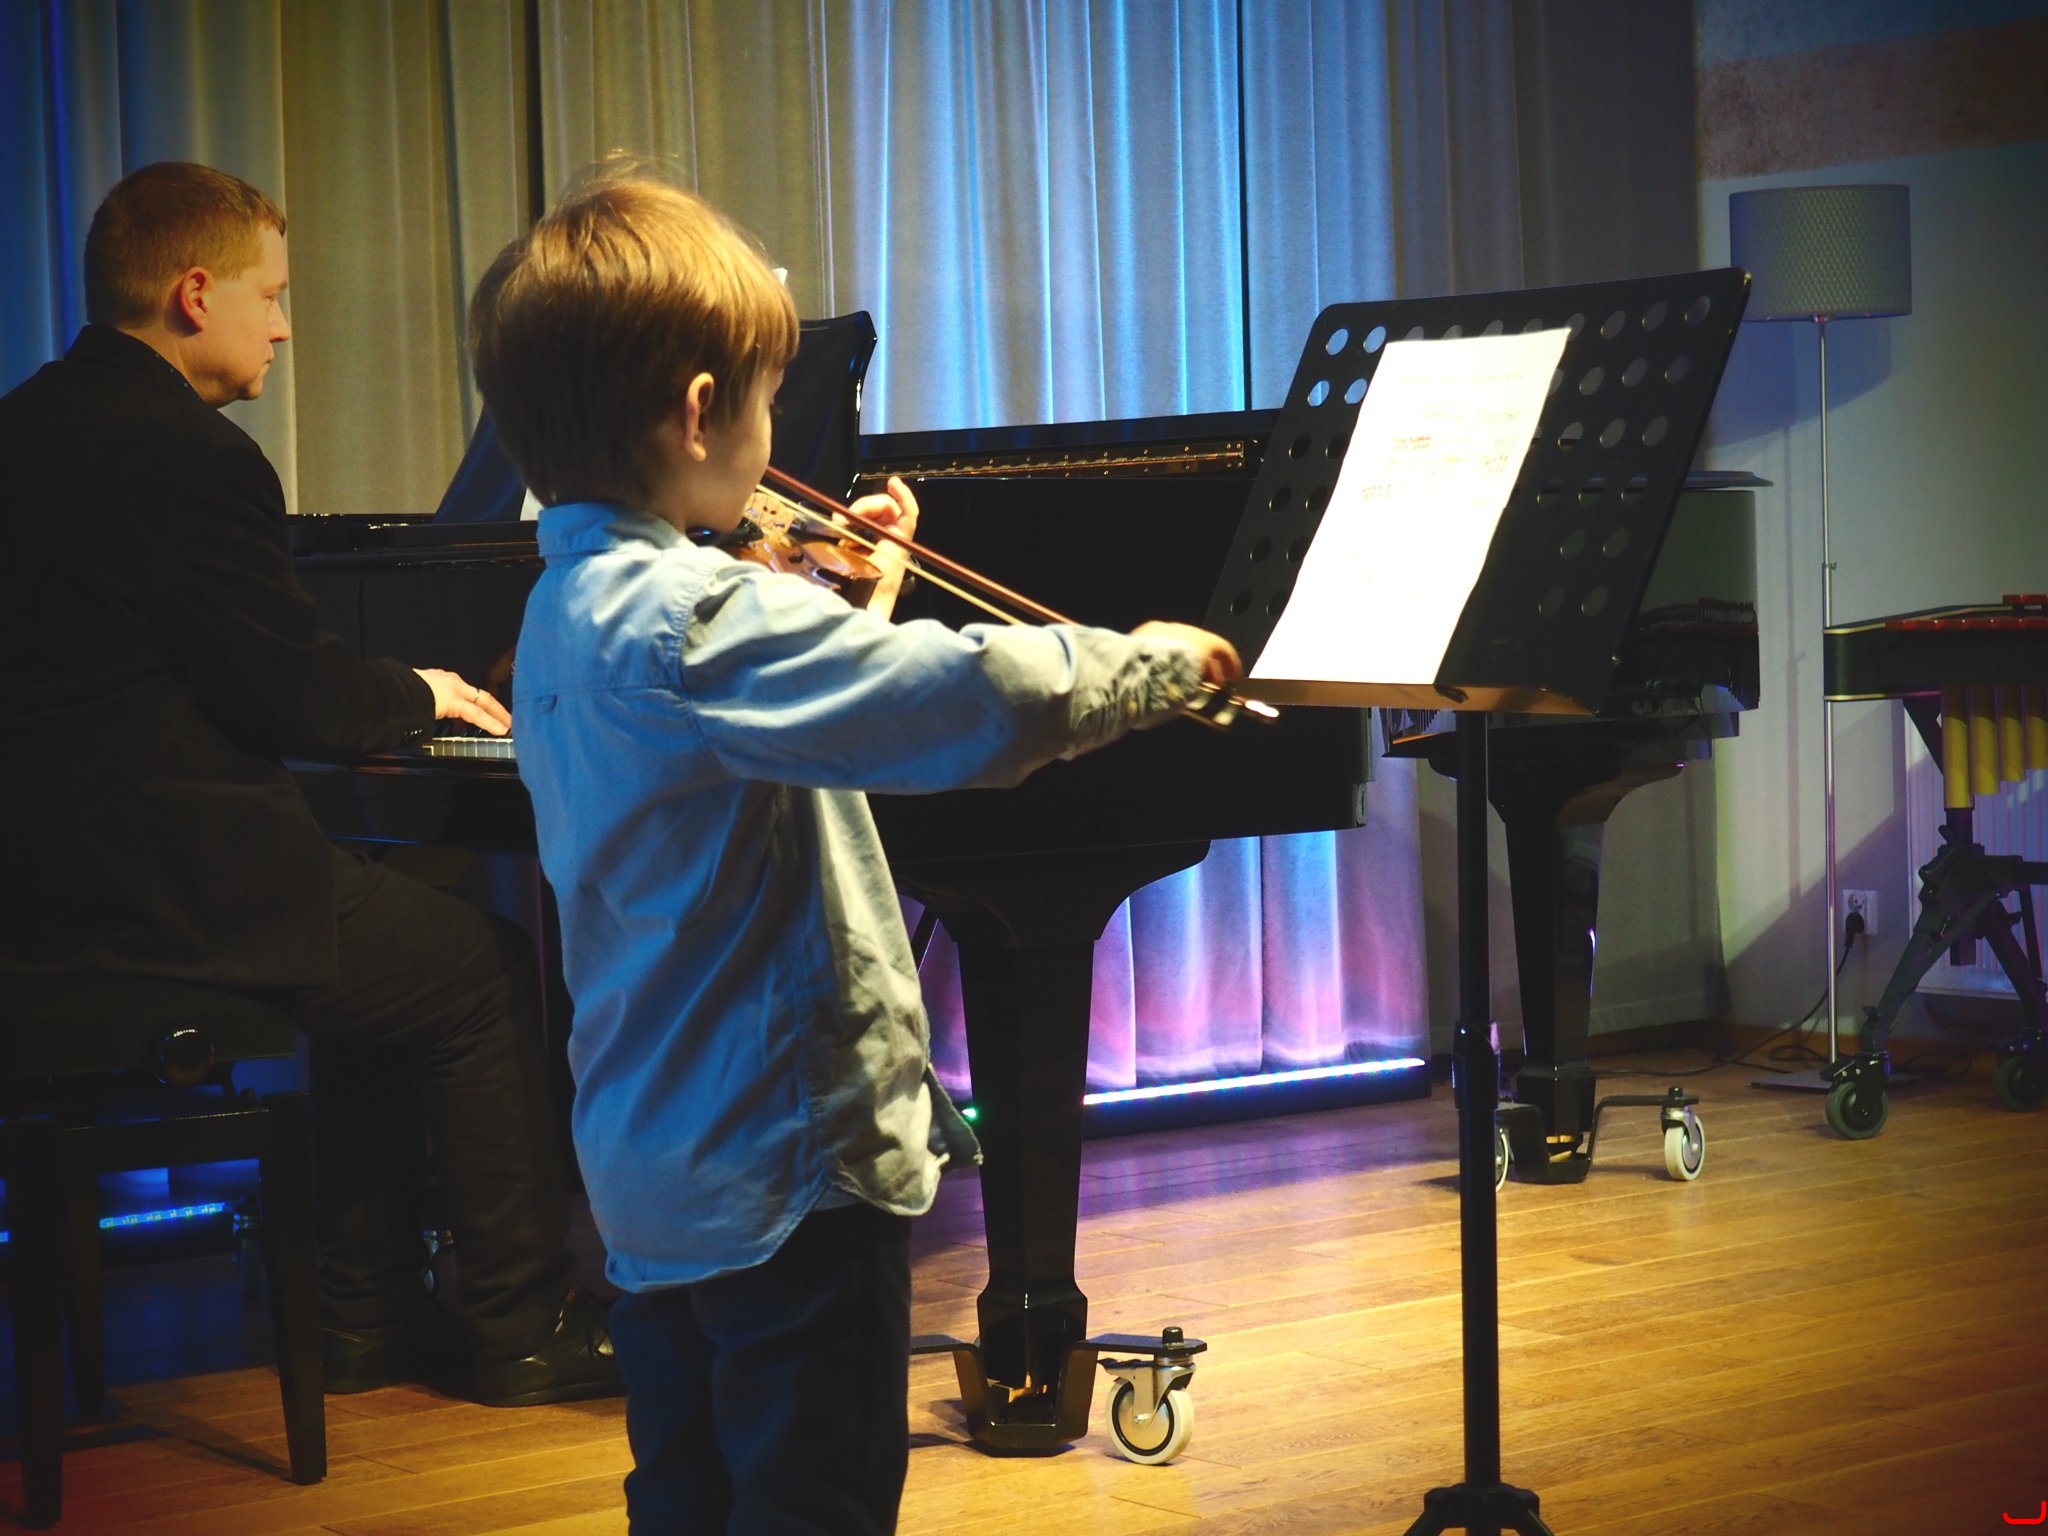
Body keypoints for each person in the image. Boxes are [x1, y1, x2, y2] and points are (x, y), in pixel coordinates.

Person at [467, 171, 1244, 1533]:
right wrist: (1150, 666)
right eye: (766, 404)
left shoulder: (564, 612)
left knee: (689, 1497)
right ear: (698, 412)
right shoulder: (697, 616)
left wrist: (855, 599)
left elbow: (781, 716)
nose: (775, 445)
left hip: (652, 1173)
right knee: (814, 1504)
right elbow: (959, 703)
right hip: (786, 1177)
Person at [0, 161, 620, 1408]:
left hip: (51, 889)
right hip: (171, 891)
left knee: (393, 943)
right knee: (476, 970)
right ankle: (516, 1324)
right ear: (194, 294)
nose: (281, 328)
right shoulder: (190, 458)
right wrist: (422, 691)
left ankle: (361, 1316)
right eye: (270, 297)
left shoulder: (23, 427)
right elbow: (298, 701)